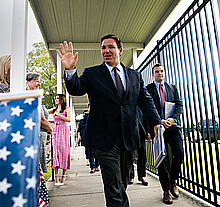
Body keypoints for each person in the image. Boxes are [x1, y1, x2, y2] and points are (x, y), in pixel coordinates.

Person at [57, 34, 161, 206]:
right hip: (105, 138)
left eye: (110, 47)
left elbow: (145, 100)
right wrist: (70, 71)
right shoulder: (92, 73)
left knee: (122, 182)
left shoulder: (134, 75)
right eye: (103, 48)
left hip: (129, 137)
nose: (106, 51)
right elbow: (77, 89)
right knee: (112, 183)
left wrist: (156, 121)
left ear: (120, 50)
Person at [146, 63, 184, 205]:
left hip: (172, 127)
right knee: (162, 160)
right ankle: (166, 190)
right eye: (157, 72)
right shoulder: (148, 90)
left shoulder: (172, 88)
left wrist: (173, 119)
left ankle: (173, 180)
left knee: (179, 153)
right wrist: (158, 122)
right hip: (157, 128)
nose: (160, 74)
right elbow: (146, 108)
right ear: (152, 74)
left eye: (161, 71)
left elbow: (179, 105)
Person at [26, 73, 53, 172]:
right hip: (35, 137)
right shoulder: (31, 97)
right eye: (37, 81)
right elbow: (41, 120)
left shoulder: (35, 96)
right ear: (28, 82)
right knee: (36, 171)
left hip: (40, 137)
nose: (39, 84)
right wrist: (51, 130)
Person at [48, 94, 71, 186]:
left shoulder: (66, 109)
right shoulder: (54, 109)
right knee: (55, 153)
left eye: (58, 98)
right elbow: (44, 111)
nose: (56, 99)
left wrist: (59, 115)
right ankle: (56, 177)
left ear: (62, 99)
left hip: (63, 131)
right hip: (56, 131)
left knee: (64, 152)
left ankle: (63, 176)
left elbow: (69, 119)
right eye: (55, 98)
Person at [128, 109, 149, 186]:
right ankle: (130, 175)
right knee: (130, 154)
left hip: (141, 130)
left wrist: (148, 131)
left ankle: (141, 176)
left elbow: (146, 115)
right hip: (130, 130)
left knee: (142, 153)